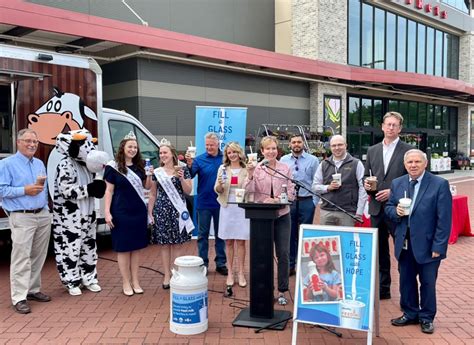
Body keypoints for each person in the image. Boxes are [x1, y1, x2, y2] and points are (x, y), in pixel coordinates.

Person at [385, 149, 451, 334]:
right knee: (406, 280)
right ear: (405, 165)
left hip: (428, 245)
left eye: (417, 162)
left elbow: (444, 219)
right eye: (410, 162)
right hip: (404, 243)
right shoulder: (398, 183)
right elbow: (388, 207)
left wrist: (439, 246)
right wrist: (395, 212)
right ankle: (410, 313)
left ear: (425, 163)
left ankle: (427, 317)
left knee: (428, 282)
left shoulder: (439, 184)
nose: (413, 165)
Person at [0, 129, 51, 314]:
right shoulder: (6, 164)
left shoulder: (39, 163)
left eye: (35, 142)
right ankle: (19, 297)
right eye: (28, 141)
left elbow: (43, 189)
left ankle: (33, 290)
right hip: (22, 215)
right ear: (18, 142)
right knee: (21, 257)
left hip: (42, 214)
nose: (32, 145)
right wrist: (24, 190)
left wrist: (46, 208)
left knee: (38, 255)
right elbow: (1, 190)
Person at [52, 129, 106, 296]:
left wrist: (98, 187)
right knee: (70, 248)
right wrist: (89, 189)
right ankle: (71, 280)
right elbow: (66, 191)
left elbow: (95, 187)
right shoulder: (65, 165)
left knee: (89, 246)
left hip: (88, 214)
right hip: (70, 218)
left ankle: (89, 278)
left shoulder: (88, 167)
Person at [364, 111, 412, 300]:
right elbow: (367, 175)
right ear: (382, 126)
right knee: (380, 251)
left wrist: (393, 192)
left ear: (400, 128)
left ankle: (406, 294)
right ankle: (383, 289)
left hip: (398, 209)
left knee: (402, 251)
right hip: (376, 208)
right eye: (388, 124)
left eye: (395, 125)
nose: (391, 127)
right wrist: (367, 184)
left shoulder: (408, 151)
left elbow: (413, 179)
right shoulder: (372, 150)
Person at [244, 136, 295, 305]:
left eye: (274, 148)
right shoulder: (256, 168)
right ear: (262, 151)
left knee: (283, 253)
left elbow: (291, 193)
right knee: (263, 254)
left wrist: (278, 200)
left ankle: (282, 290)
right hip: (262, 218)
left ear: (277, 150)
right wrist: (250, 175)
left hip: (282, 215)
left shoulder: (285, 168)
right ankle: (265, 289)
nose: (271, 152)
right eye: (268, 149)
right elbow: (248, 192)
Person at [104, 131, 152, 296]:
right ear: (123, 147)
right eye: (130, 146)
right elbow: (109, 191)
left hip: (138, 212)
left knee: (136, 248)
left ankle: (136, 280)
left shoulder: (140, 167)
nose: (132, 149)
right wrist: (107, 212)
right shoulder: (113, 167)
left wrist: (150, 176)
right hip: (121, 212)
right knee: (124, 249)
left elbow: (146, 188)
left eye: (135, 147)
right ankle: (126, 282)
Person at [148, 141, 194, 289]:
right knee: (164, 245)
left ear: (172, 154)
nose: (162, 155)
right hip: (161, 211)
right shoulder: (157, 172)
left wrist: (181, 179)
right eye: (160, 153)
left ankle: (177, 273)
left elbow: (188, 191)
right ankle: (167, 274)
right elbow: (153, 193)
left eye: (165, 152)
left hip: (178, 211)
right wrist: (150, 212)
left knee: (177, 244)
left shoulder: (183, 169)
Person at [186, 132, 227, 275]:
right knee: (202, 235)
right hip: (203, 202)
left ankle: (221, 263)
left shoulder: (225, 159)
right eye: (207, 145)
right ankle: (203, 263)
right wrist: (189, 165)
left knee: (220, 234)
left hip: (221, 202)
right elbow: (190, 175)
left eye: (212, 144)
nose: (209, 147)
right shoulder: (198, 159)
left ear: (217, 144)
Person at [280, 134, 319, 276]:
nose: (296, 144)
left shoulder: (313, 160)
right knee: (289, 234)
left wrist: (314, 202)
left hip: (307, 201)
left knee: (305, 234)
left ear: (303, 143)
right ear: (289, 145)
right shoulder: (283, 160)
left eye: (299, 142)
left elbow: (316, 182)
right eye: (294, 142)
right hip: (290, 202)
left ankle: (305, 265)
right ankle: (290, 265)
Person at [214, 142, 250, 295]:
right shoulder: (222, 169)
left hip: (241, 208)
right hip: (227, 208)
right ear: (226, 155)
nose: (232, 155)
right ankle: (230, 273)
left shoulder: (247, 169)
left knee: (241, 241)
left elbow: (251, 188)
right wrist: (220, 185)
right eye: (229, 152)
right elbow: (217, 189)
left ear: (239, 153)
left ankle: (241, 272)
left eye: (234, 152)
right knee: (228, 241)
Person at [312, 135, 367, 226]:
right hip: (326, 210)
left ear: (346, 145)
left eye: (340, 145)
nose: (337, 148)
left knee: (346, 239)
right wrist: (328, 187)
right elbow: (314, 187)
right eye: (334, 145)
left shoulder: (356, 163)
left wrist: (359, 212)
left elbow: (363, 188)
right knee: (327, 239)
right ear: (330, 147)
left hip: (348, 212)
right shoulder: (324, 164)